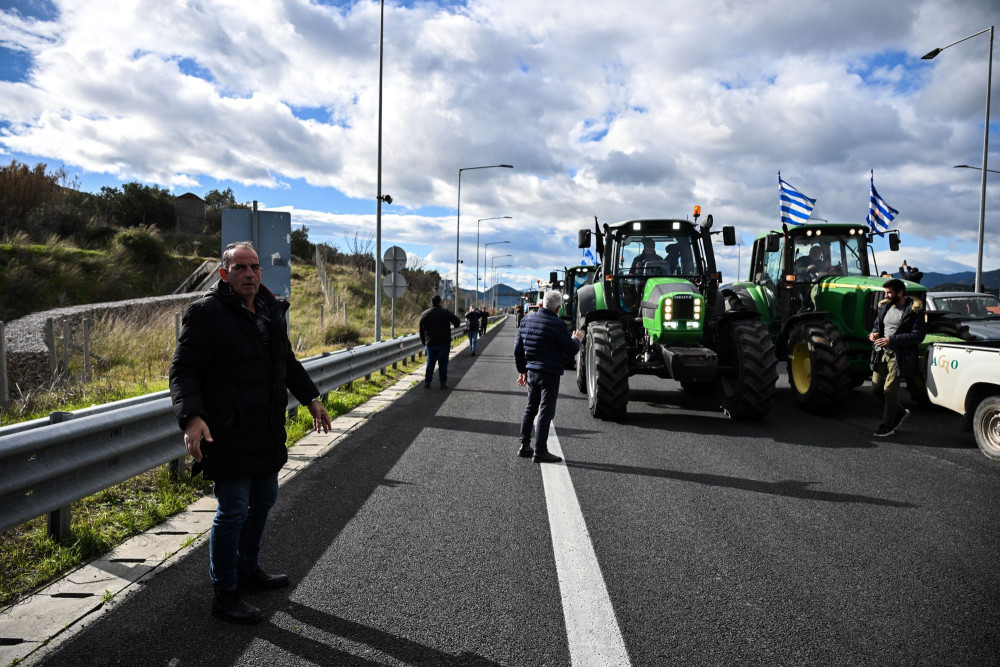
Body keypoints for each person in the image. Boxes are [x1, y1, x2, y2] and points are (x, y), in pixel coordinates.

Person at [169, 241, 332, 625]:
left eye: (254, 267)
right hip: (226, 433)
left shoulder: (270, 309)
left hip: (266, 430)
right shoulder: (206, 314)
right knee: (233, 510)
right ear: (224, 274)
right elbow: (184, 370)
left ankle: (247, 569)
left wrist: (312, 398)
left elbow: (286, 362)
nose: (249, 274)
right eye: (240, 268)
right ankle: (225, 593)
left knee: (265, 500)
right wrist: (192, 417)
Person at [514, 290, 584, 463]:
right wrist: (576, 339)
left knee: (530, 408)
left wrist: (522, 371)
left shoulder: (526, 321)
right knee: (546, 411)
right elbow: (571, 349)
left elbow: (518, 350)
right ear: (558, 308)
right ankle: (540, 451)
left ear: (542, 303)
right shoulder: (558, 324)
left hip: (532, 372)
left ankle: (524, 445)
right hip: (550, 374)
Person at [868, 278, 926, 437]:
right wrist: (873, 334)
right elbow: (876, 326)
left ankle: (887, 425)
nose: (885, 295)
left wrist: (891, 340)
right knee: (876, 389)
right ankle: (899, 412)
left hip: (899, 355)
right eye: (885, 292)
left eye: (889, 292)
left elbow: (918, 336)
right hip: (881, 353)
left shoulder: (914, 310)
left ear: (900, 293)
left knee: (889, 391)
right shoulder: (884, 306)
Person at [419, 295, 460, 388]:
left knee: (430, 363)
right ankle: (443, 383)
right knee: (443, 364)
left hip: (430, 343)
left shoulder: (425, 313)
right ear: (439, 303)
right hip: (444, 343)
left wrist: (424, 342)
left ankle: (427, 382)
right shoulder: (445, 313)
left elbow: (421, 330)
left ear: (431, 303)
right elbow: (457, 322)